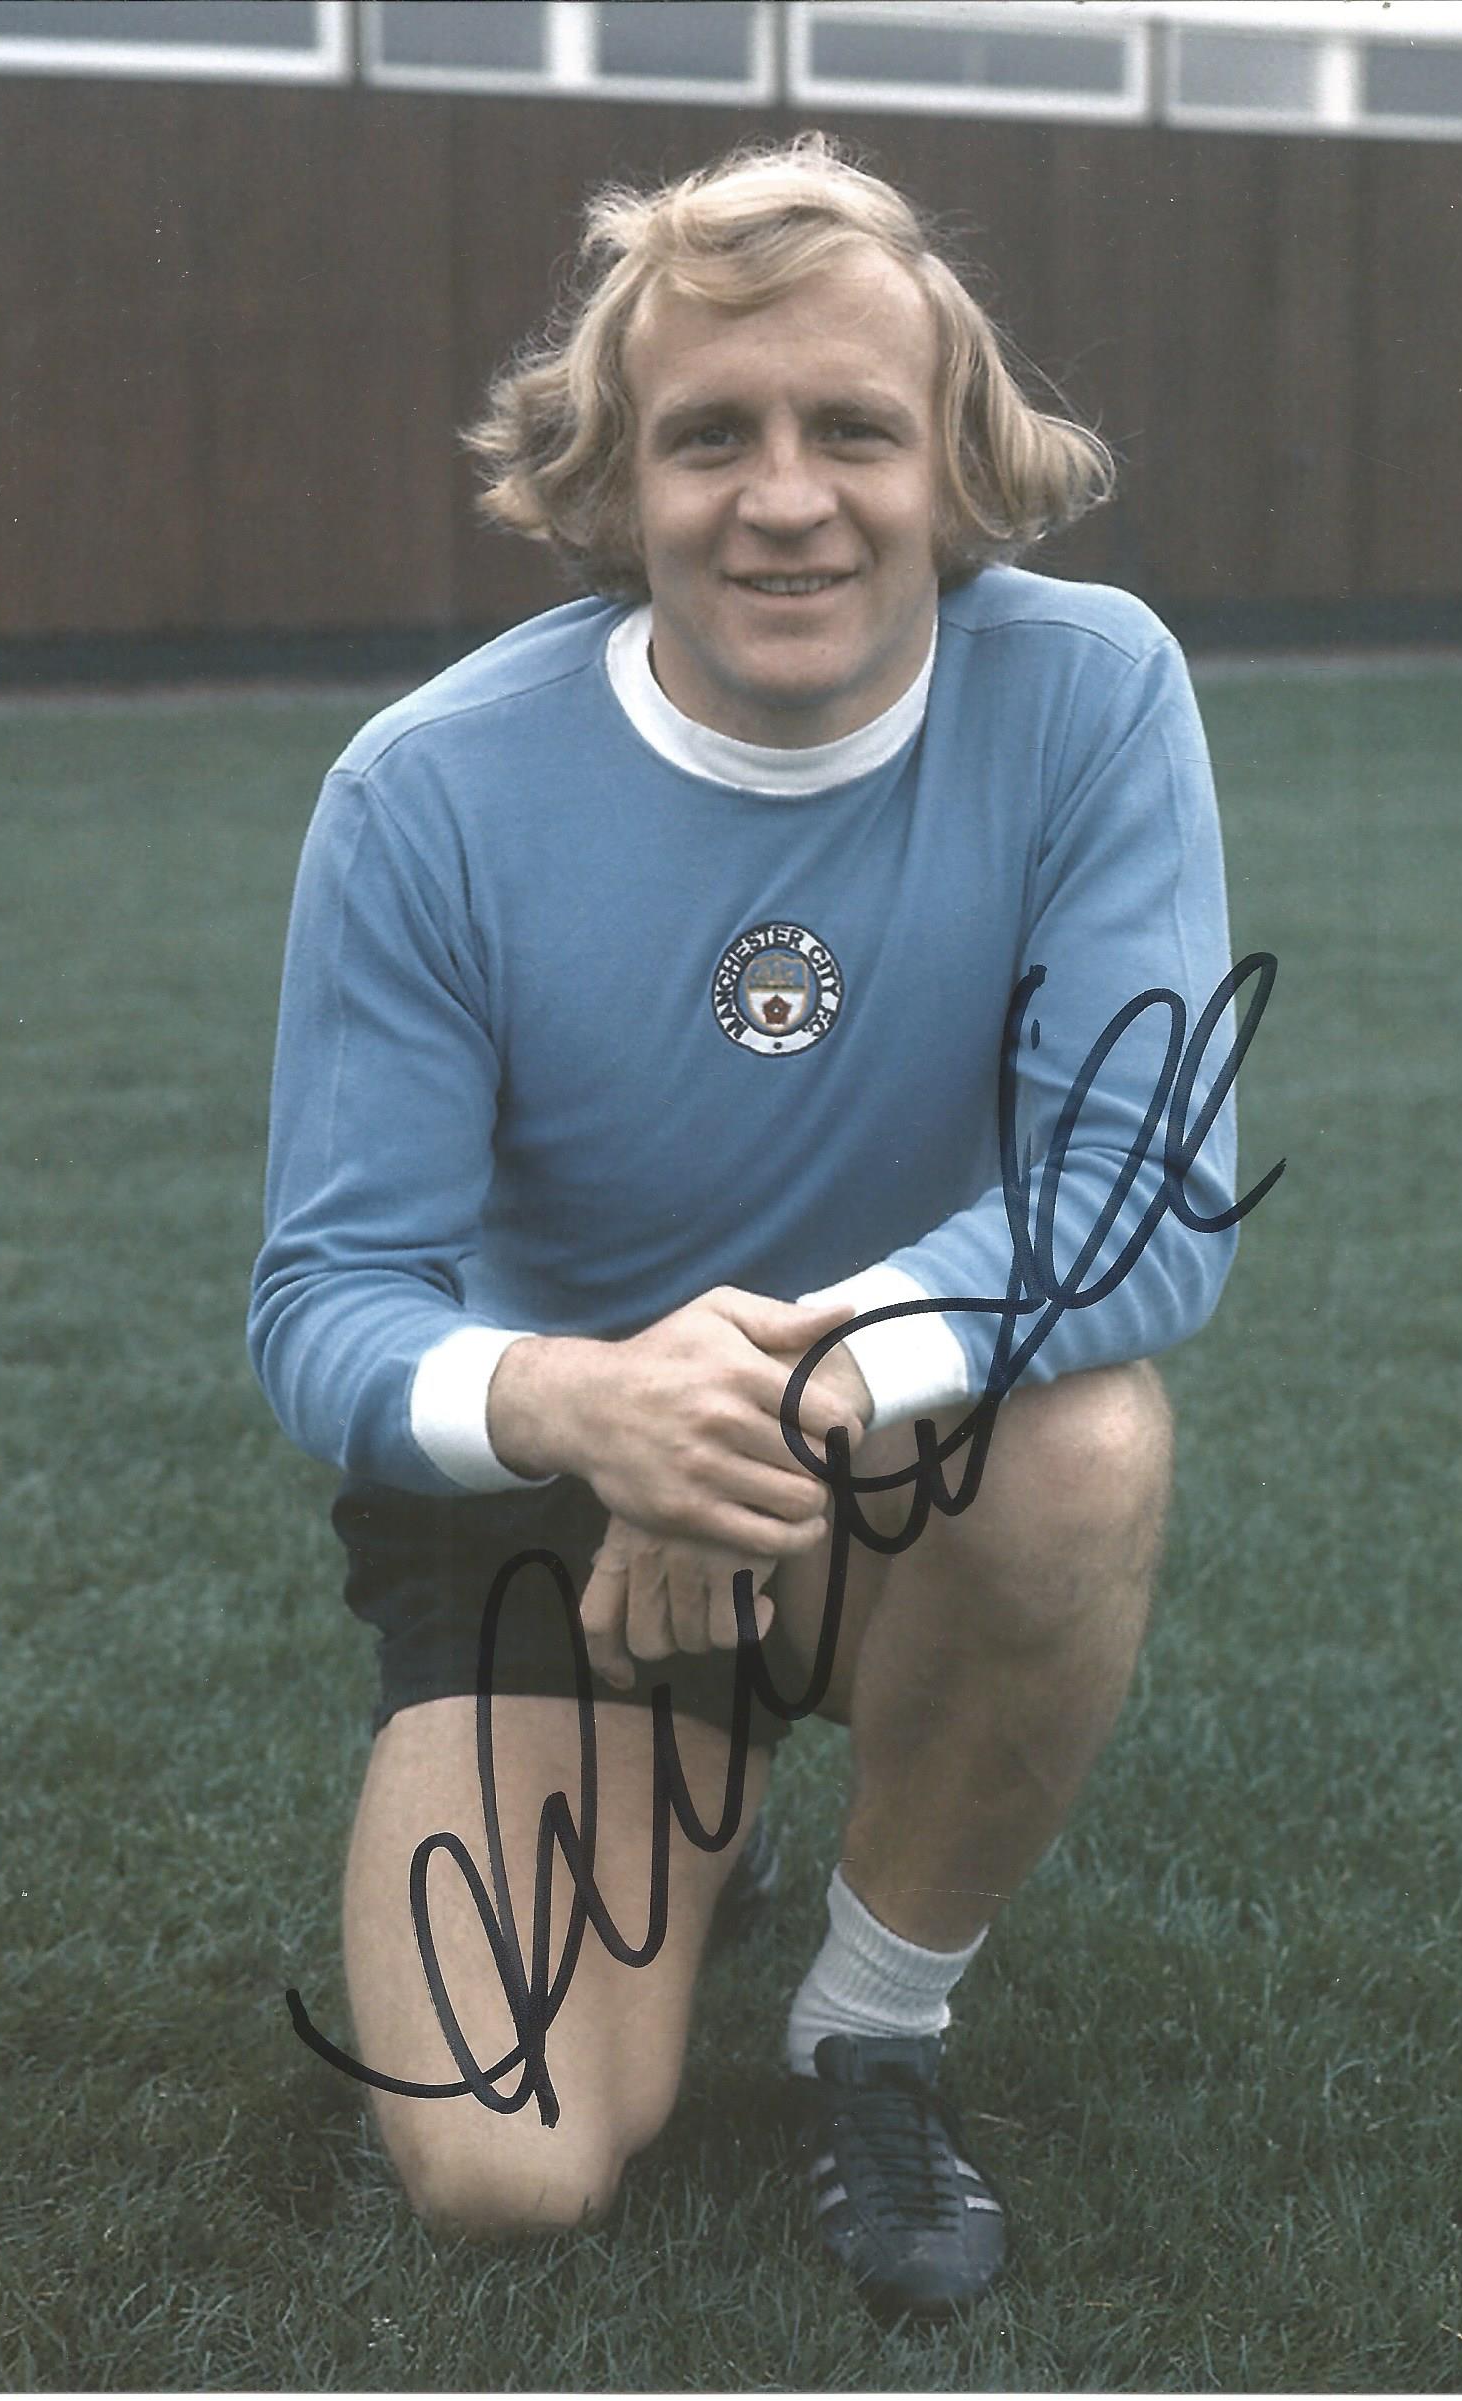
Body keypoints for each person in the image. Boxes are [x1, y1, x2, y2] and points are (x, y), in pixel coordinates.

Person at [250, 133, 1246, 2320]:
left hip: (909, 1458)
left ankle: (872, 2017)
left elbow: (1146, 1195)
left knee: (1089, 1435)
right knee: (506, 2172)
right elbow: (324, 1306)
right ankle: (691, 1788)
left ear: (953, 461)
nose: (783, 496)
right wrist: (588, 1405)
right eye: (709, 434)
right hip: (552, 1522)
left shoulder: (1086, 696)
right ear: (614, 474)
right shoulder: (428, 791)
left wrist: (780, 1386)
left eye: (852, 429)